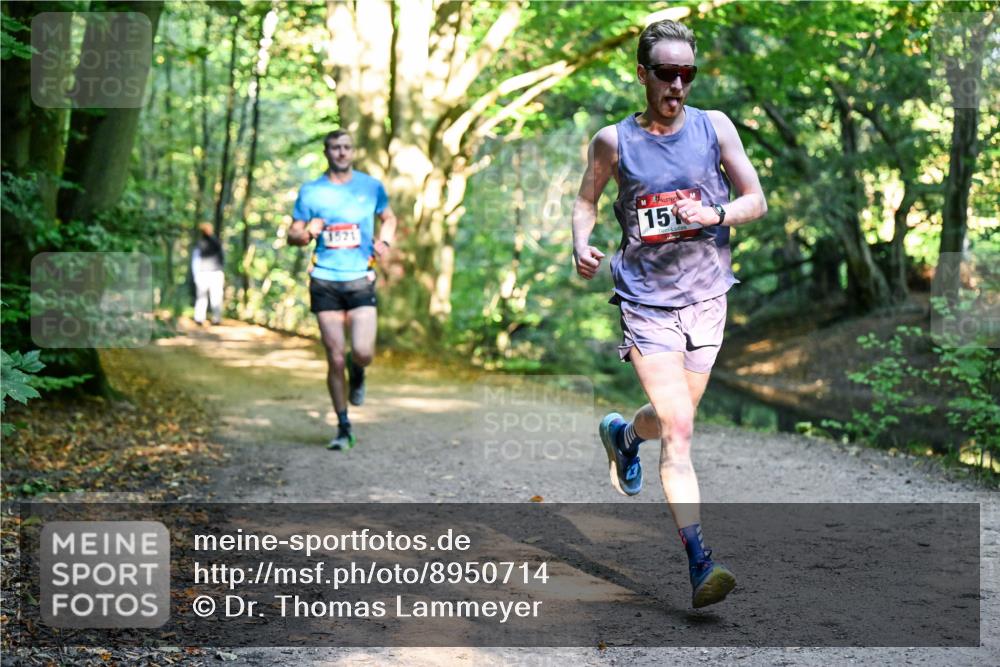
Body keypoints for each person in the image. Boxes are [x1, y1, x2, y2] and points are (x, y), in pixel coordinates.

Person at [571, 19, 767, 608]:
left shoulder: (715, 127)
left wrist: (718, 216)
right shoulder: (613, 141)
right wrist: (580, 243)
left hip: (707, 298)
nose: (678, 84)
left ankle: (624, 435)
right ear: (642, 75)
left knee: (666, 420)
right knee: (679, 431)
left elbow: (756, 200)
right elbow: (587, 200)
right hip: (646, 301)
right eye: (666, 73)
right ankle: (700, 563)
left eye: (688, 73)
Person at [287, 129, 397, 450]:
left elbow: (389, 218)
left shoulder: (371, 187)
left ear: (353, 152)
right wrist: (307, 232)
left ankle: (358, 374)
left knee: (362, 352)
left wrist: (384, 241)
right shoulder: (311, 192)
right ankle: (343, 426)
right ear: (326, 152)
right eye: (335, 148)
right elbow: (292, 234)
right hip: (325, 281)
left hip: (361, 278)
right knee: (335, 358)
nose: (341, 153)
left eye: (347, 147)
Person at [192, 222, 225, 326]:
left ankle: (202, 318)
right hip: (211, 273)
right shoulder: (216, 242)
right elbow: (223, 258)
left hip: (207, 273)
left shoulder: (201, 243)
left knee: (207, 297)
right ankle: (212, 318)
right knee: (212, 297)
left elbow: (195, 260)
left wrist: (195, 274)